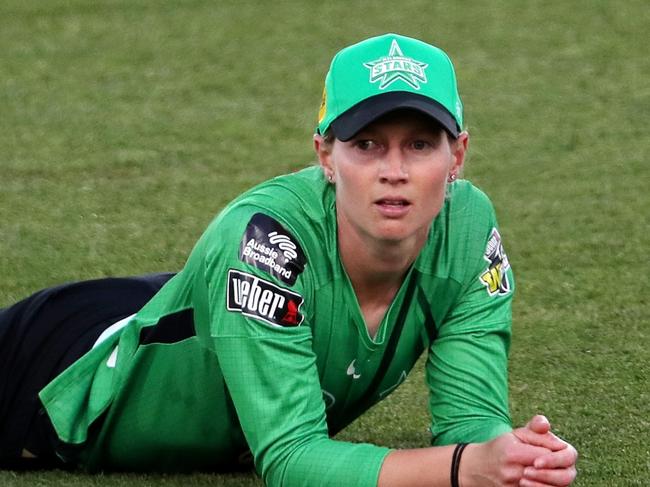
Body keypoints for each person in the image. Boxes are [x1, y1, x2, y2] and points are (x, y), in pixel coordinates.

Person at [0, 33, 577, 486]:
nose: (394, 170)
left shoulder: (470, 233)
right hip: (59, 364)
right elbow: (292, 461)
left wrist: (513, 458)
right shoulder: (261, 239)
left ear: (459, 157)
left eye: (421, 144)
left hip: (204, 319)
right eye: (367, 144)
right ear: (326, 154)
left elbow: (470, 424)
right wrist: (459, 472)